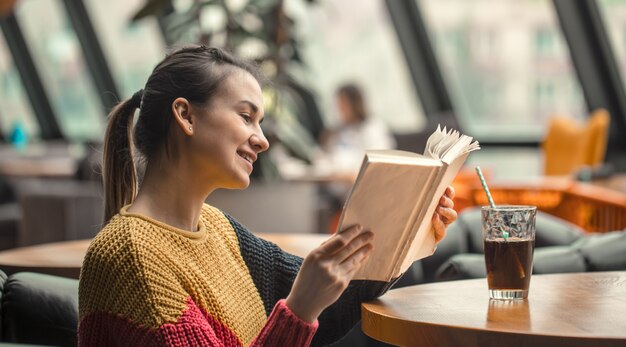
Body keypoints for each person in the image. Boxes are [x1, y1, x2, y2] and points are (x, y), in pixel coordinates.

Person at [78, 46, 457, 346]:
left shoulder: (218, 228)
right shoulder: (133, 257)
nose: (262, 139)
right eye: (246, 117)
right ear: (186, 116)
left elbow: (332, 303)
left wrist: (408, 228)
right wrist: (299, 309)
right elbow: (305, 306)